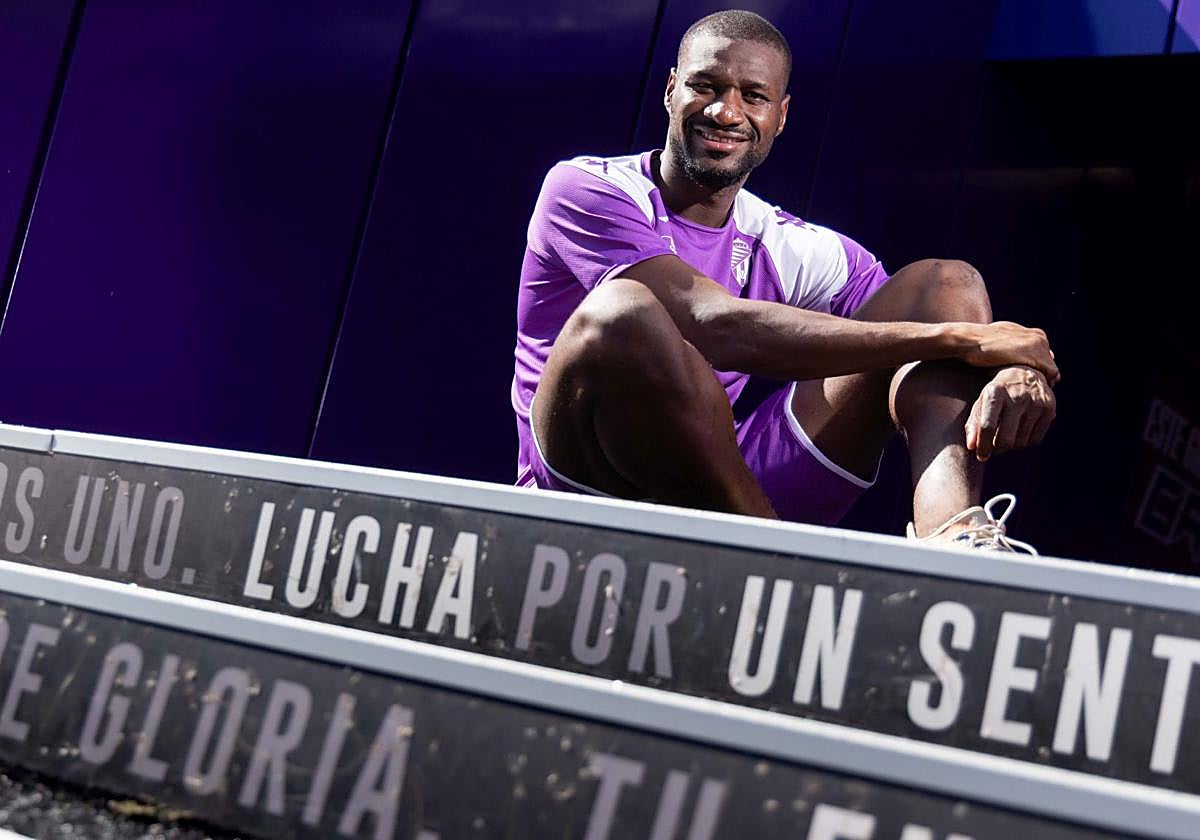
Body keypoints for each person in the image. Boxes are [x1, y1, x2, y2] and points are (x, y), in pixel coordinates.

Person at [511, 10, 1058, 550]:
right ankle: (776, 560)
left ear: (781, 115)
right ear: (672, 90)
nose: (726, 111)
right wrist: (966, 341)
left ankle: (956, 537)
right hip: (589, 485)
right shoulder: (587, 189)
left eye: (753, 96)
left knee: (944, 283)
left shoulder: (783, 240)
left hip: (722, 486)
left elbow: (930, 316)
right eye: (705, 87)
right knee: (621, 311)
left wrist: (1013, 365)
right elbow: (713, 325)